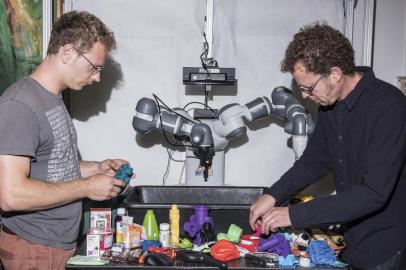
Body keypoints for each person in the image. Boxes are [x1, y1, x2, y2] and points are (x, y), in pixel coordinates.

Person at [249, 22, 406, 269]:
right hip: (354, 243)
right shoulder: (331, 107)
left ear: (335, 73)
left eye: (307, 88)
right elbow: (315, 160)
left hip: (387, 248)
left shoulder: (389, 107)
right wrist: (274, 194)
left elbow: (373, 194)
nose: (304, 96)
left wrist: (292, 215)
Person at [0, 11, 129, 270]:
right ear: (68, 52)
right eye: (94, 67)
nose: (97, 78)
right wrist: (86, 187)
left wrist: (96, 168)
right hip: (34, 249)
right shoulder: (20, 105)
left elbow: (51, 167)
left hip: (53, 248)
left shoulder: (51, 99)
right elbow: (10, 195)